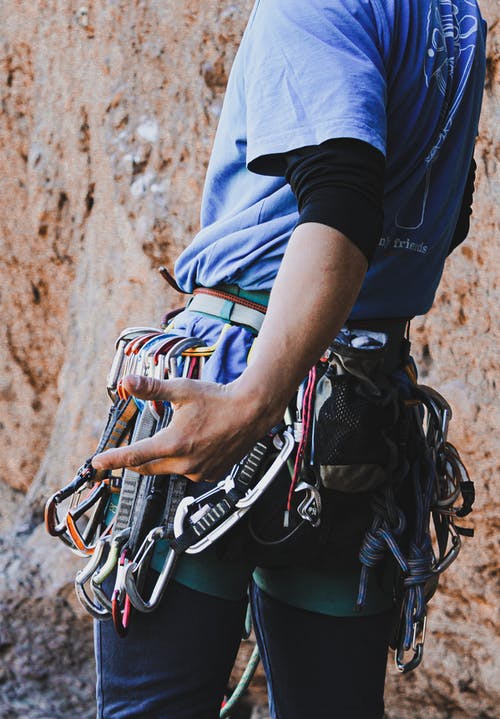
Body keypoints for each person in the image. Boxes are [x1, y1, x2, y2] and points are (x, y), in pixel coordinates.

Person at [91, 1, 486, 717]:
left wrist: (253, 400)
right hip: (359, 417)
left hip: (236, 376)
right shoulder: (454, 20)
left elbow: (343, 198)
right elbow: (442, 214)